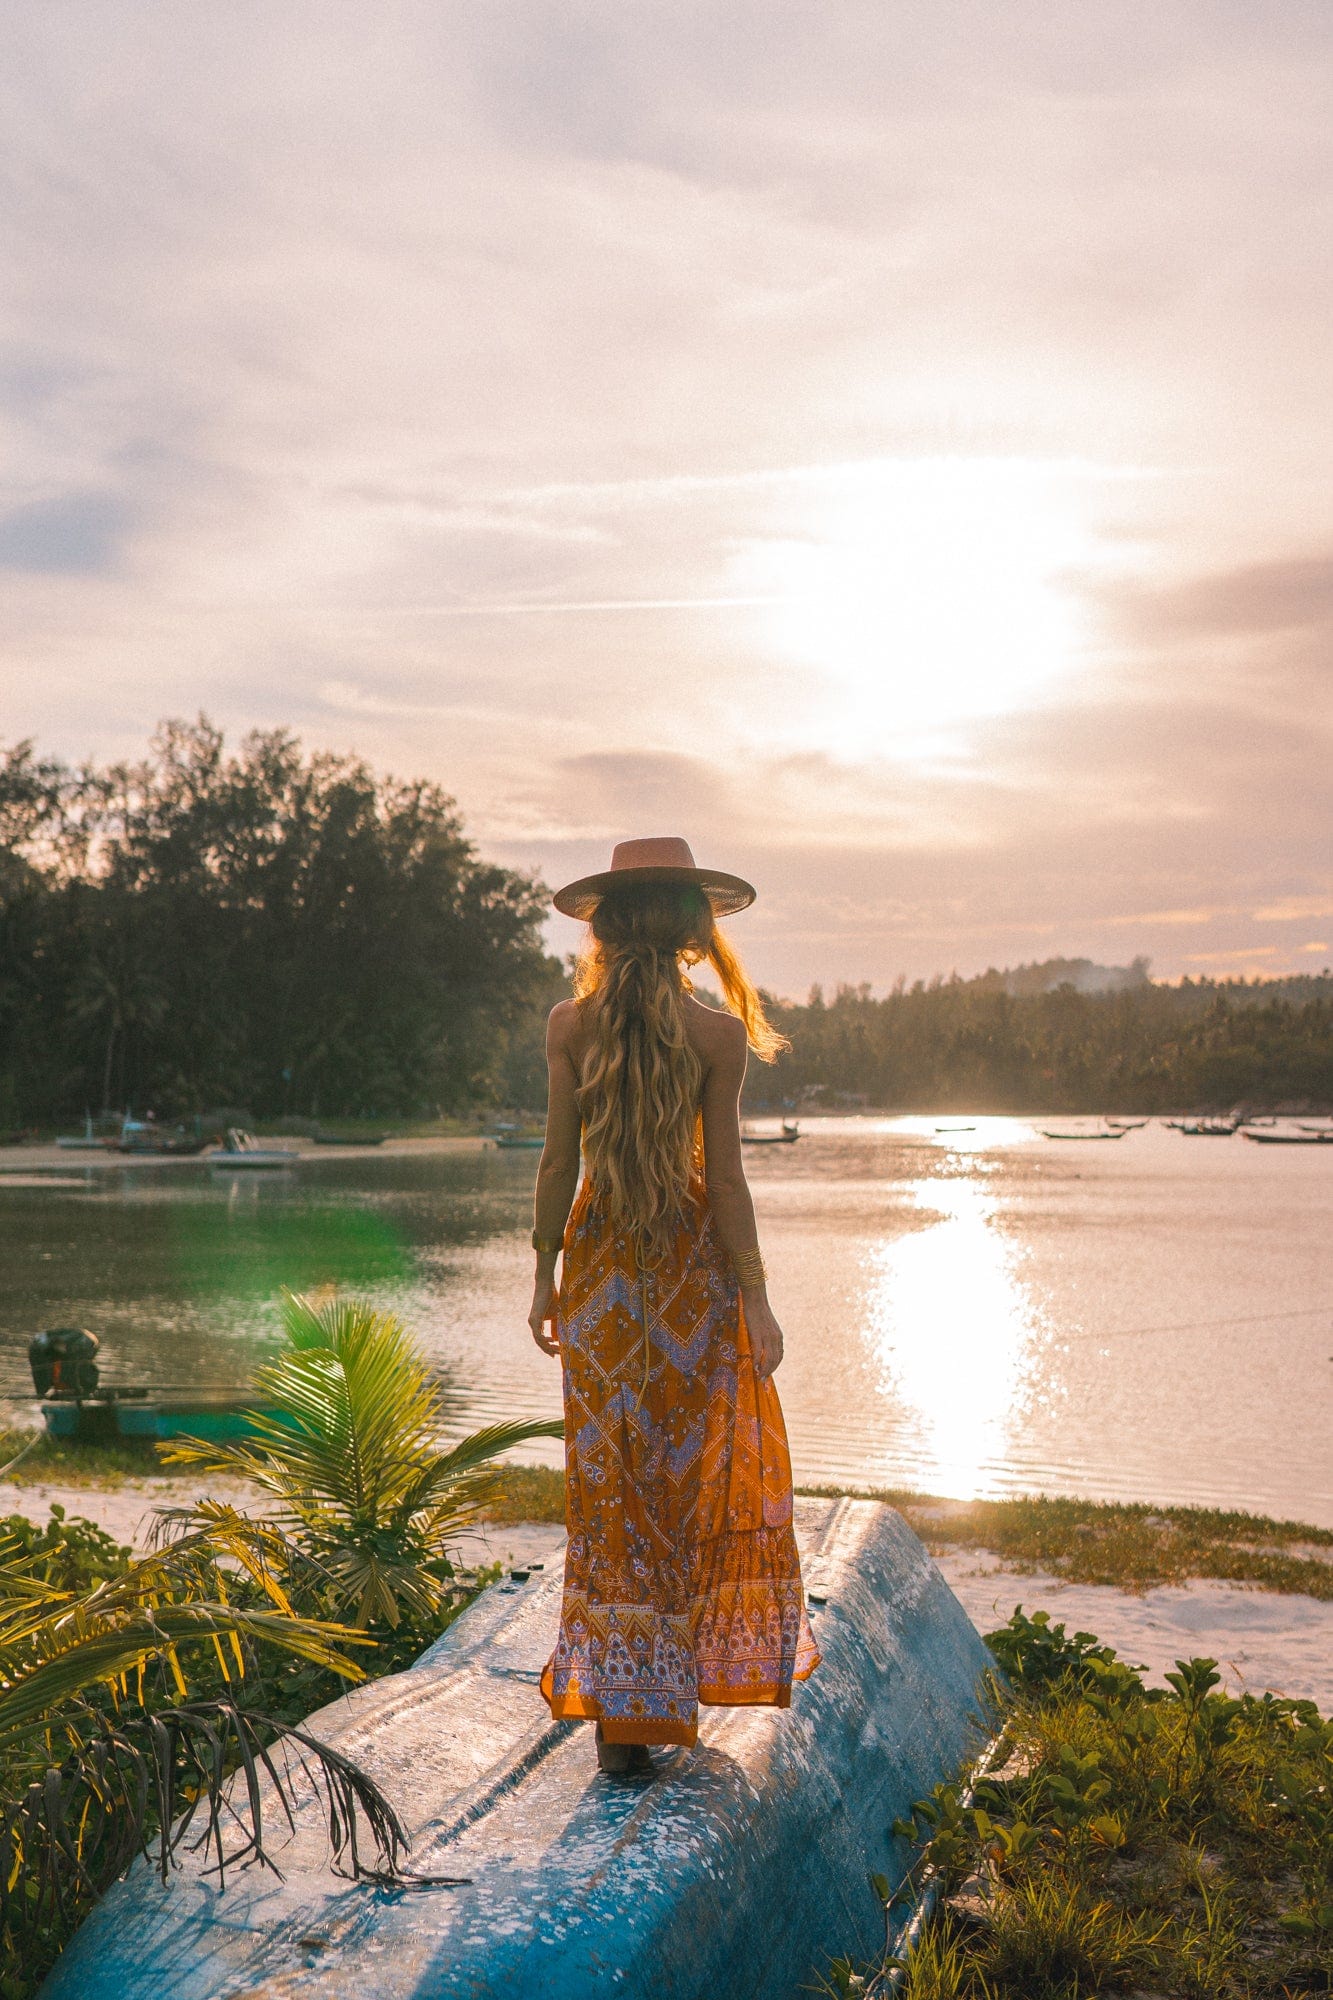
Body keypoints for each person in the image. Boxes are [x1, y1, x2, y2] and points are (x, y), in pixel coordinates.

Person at [529, 836, 819, 1776]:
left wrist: (543, 1272)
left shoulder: (569, 1024)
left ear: (606, 928)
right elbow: (725, 1183)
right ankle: (661, 1700)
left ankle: (623, 1718)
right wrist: (758, 1298)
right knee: (681, 1480)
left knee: (611, 1488)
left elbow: (555, 1163)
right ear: (693, 931)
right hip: (690, 1275)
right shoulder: (716, 1035)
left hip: (601, 1273)